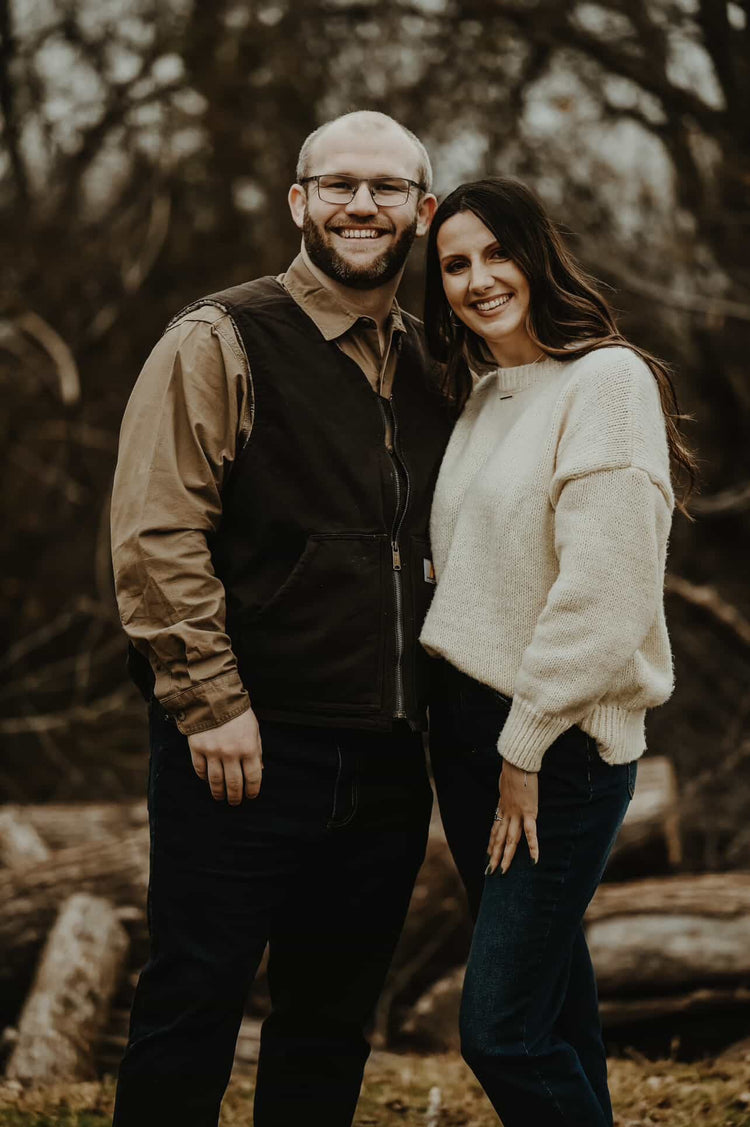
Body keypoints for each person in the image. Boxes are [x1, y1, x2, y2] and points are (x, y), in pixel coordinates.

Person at [109, 110, 452, 1127]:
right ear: (300, 202)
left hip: (388, 753)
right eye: (339, 184)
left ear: (422, 211)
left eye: (387, 188)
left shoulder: (438, 361)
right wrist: (209, 701)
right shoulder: (221, 338)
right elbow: (157, 532)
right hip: (244, 745)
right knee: (191, 1006)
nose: (362, 205)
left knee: (330, 1027)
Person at [419, 178, 697, 1127]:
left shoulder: (607, 381)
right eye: (455, 264)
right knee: (553, 1009)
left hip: (554, 746)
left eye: (497, 253)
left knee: (500, 1031)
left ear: (539, 255)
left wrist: (526, 742)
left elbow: (607, 591)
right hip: (468, 736)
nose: (479, 279)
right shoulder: (485, 396)